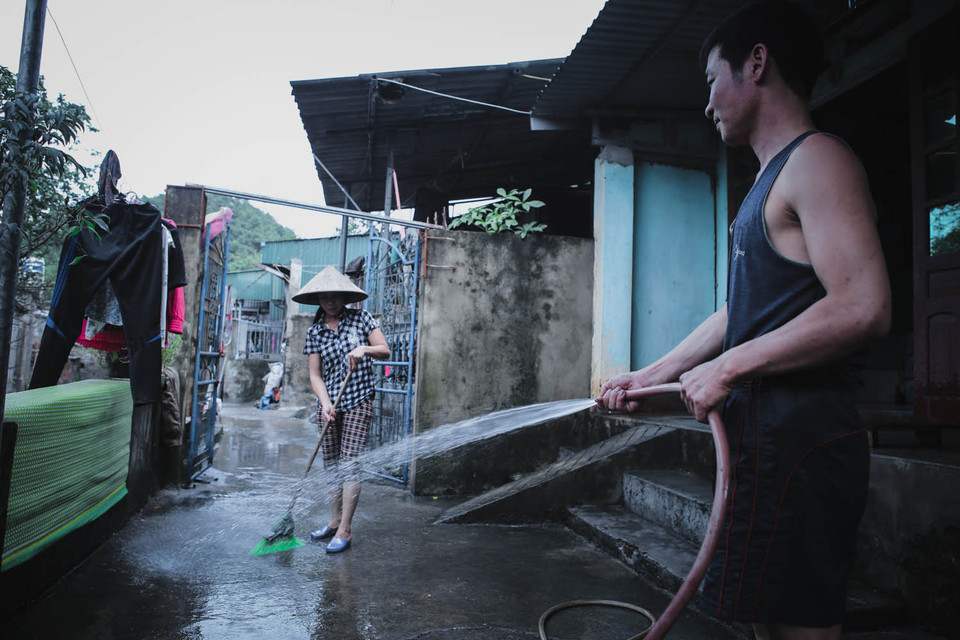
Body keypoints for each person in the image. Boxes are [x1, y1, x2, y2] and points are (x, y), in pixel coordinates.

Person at [596, 2, 891, 639]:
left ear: (756, 62)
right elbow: (743, 310)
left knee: (798, 628)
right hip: (766, 443)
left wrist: (727, 367)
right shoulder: (766, 183)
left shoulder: (818, 162)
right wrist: (653, 374)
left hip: (805, 444)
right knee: (760, 621)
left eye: (710, 81)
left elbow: (863, 306)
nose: (707, 103)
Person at [293, 266, 390, 554]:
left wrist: (364, 349)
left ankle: (346, 529)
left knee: (350, 463)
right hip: (329, 406)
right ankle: (334, 520)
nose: (330, 302)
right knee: (332, 463)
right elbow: (315, 375)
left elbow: (384, 349)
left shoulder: (361, 319)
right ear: (319, 299)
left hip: (358, 399)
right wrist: (324, 404)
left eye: (335, 297)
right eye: (325, 297)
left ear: (344, 297)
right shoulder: (314, 332)